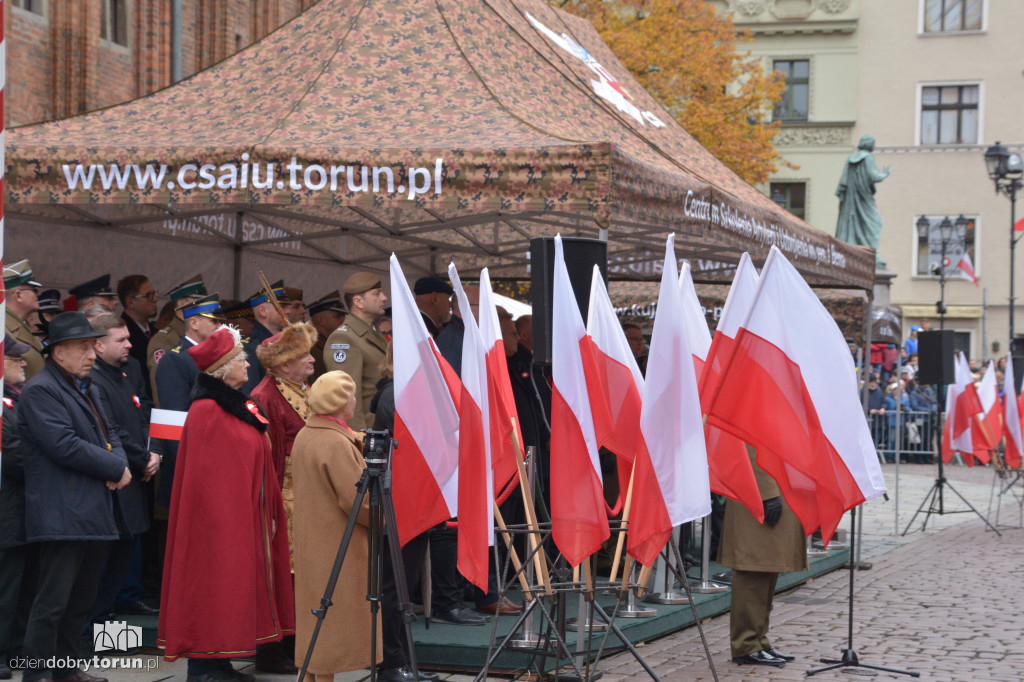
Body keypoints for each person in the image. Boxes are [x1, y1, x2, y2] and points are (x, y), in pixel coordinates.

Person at [158, 326, 294, 681]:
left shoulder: (233, 405)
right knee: (210, 584)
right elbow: (209, 480)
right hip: (215, 523)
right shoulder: (208, 411)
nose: (248, 365)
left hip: (239, 517)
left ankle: (219, 661)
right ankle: (202, 667)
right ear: (223, 367)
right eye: (241, 360)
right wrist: (229, 520)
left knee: (226, 589)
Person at [18, 312, 132, 682]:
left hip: (93, 511)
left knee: (79, 602)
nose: (91, 354)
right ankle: (38, 674)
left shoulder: (88, 387)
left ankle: (67, 671)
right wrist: (115, 469)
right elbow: (63, 445)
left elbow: (109, 432)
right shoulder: (41, 391)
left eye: (92, 346)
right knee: (52, 603)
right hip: (63, 513)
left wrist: (119, 463)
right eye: (83, 347)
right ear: (58, 352)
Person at [291, 371, 383, 682]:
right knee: (331, 619)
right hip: (337, 545)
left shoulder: (307, 434)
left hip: (314, 541)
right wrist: (386, 518)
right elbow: (358, 501)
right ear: (343, 403)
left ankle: (311, 677)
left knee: (315, 618)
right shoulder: (334, 442)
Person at [369, 352, 442, 682]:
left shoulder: (409, 391)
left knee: (404, 586)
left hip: (413, 499)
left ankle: (402, 660)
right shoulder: (394, 392)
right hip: (398, 499)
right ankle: (390, 663)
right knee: (394, 587)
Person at [87, 315, 162, 620]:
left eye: (129, 338)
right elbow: (111, 427)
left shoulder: (128, 370)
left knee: (126, 555)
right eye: (120, 340)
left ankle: (113, 613)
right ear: (98, 346)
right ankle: (92, 629)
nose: (130, 344)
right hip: (117, 479)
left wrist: (154, 450)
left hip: (139, 472)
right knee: (106, 564)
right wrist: (143, 458)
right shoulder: (94, 379)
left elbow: (144, 410)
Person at [719, 447, 804, 668]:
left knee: (767, 568)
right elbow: (747, 447)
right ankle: (746, 644)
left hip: (771, 488)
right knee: (753, 569)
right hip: (756, 493)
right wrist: (766, 492)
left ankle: (758, 640)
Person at [153, 294, 226, 508]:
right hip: (190, 472)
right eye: (215, 321)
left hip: (214, 463)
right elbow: (171, 425)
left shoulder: (217, 357)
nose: (221, 326)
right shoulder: (176, 359)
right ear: (193, 322)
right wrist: (192, 474)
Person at [0, 334, 35, 681]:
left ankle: (16, 650)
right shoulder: (3, 403)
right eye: (15, 358)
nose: (24, 362)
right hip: (8, 509)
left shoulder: (17, 399)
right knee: (7, 587)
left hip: (25, 509)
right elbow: (12, 455)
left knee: (24, 585)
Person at [324, 272, 389, 431]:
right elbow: (347, 400)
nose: (384, 297)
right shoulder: (344, 339)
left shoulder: (372, 332)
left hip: (382, 430)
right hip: (368, 433)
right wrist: (360, 442)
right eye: (377, 293)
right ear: (358, 301)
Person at [147, 274, 208, 401]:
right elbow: (162, 391)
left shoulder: (201, 335)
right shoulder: (164, 340)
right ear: (181, 304)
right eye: (198, 302)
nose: (204, 307)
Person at [835, 134, 890, 255]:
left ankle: (853, 249)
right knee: (875, 224)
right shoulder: (868, 158)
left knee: (854, 223)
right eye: (873, 143)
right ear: (869, 144)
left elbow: (843, 181)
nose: (874, 146)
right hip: (864, 199)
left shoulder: (850, 159)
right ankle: (870, 253)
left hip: (852, 201)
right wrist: (885, 174)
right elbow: (873, 176)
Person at [242, 279, 290, 392]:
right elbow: (252, 394)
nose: (288, 311)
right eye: (282, 306)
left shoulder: (285, 343)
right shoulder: (250, 348)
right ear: (263, 311)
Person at [3, 260, 45, 380]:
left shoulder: (22, 325)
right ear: (18, 295)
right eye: (34, 289)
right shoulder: (3, 330)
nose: (38, 293)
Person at [117, 275, 159, 394]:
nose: (155, 299)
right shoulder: (122, 335)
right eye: (148, 296)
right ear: (130, 302)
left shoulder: (155, 332)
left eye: (154, 294)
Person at [308, 291, 347, 382]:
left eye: (344, 316)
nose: (343, 320)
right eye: (338, 317)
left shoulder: (339, 342)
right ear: (321, 320)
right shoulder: (311, 349)